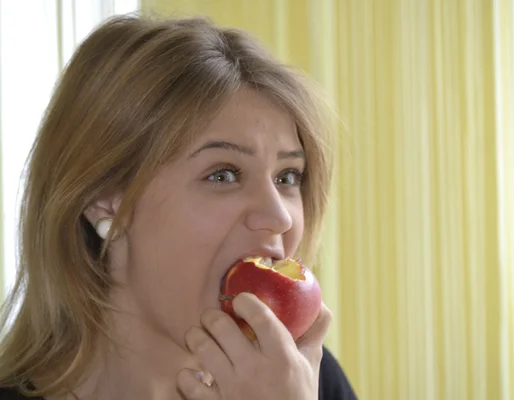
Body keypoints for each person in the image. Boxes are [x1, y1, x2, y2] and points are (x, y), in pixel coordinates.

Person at [0, 14, 357, 400]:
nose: (280, 217)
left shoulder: (303, 381)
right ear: (104, 199)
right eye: (224, 175)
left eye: (287, 177)